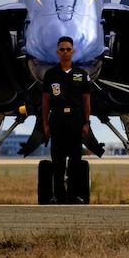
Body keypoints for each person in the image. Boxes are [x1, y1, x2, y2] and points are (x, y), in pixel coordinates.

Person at [41, 36, 92, 203]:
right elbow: (46, 101)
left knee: (75, 159)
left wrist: (86, 123)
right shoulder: (50, 75)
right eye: (62, 49)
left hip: (75, 119)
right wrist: (45, 123)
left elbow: (86, 101)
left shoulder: (81, 75)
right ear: (57, 52)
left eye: (68, 49)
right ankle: (59, 196)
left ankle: (73, 196)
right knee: (58, 159)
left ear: (73, 52)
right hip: (57, 119)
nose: (65, 52)